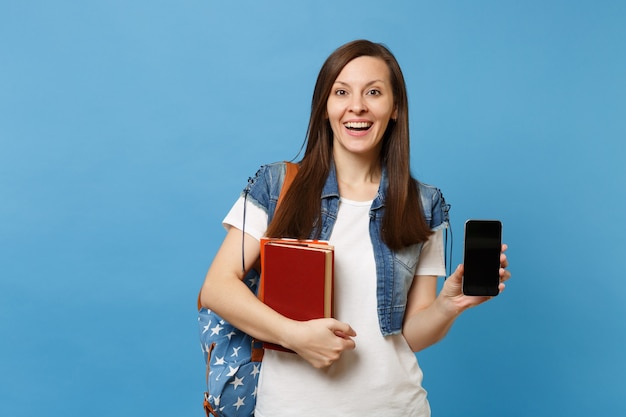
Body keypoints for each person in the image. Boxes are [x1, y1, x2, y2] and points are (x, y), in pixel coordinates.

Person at [200, 39, 511, 417]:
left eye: (374, 92)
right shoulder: (277, 185)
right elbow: (217, 287)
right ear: (325, 107)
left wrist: (449, 306)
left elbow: (410, 335)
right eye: (342, 92)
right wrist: (293, 335)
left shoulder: (423, 204)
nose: (357, 106)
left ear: (395, 108)